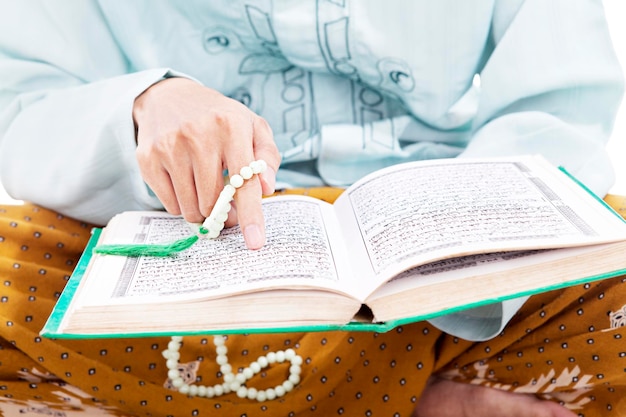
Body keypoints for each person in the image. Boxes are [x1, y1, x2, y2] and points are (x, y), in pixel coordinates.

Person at [0, 1, 624, 416]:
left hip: (435, 239)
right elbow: (22, 109)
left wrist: (465, 261)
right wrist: (144, 105)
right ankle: (424, 395)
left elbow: (557, 104)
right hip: (193, 228)